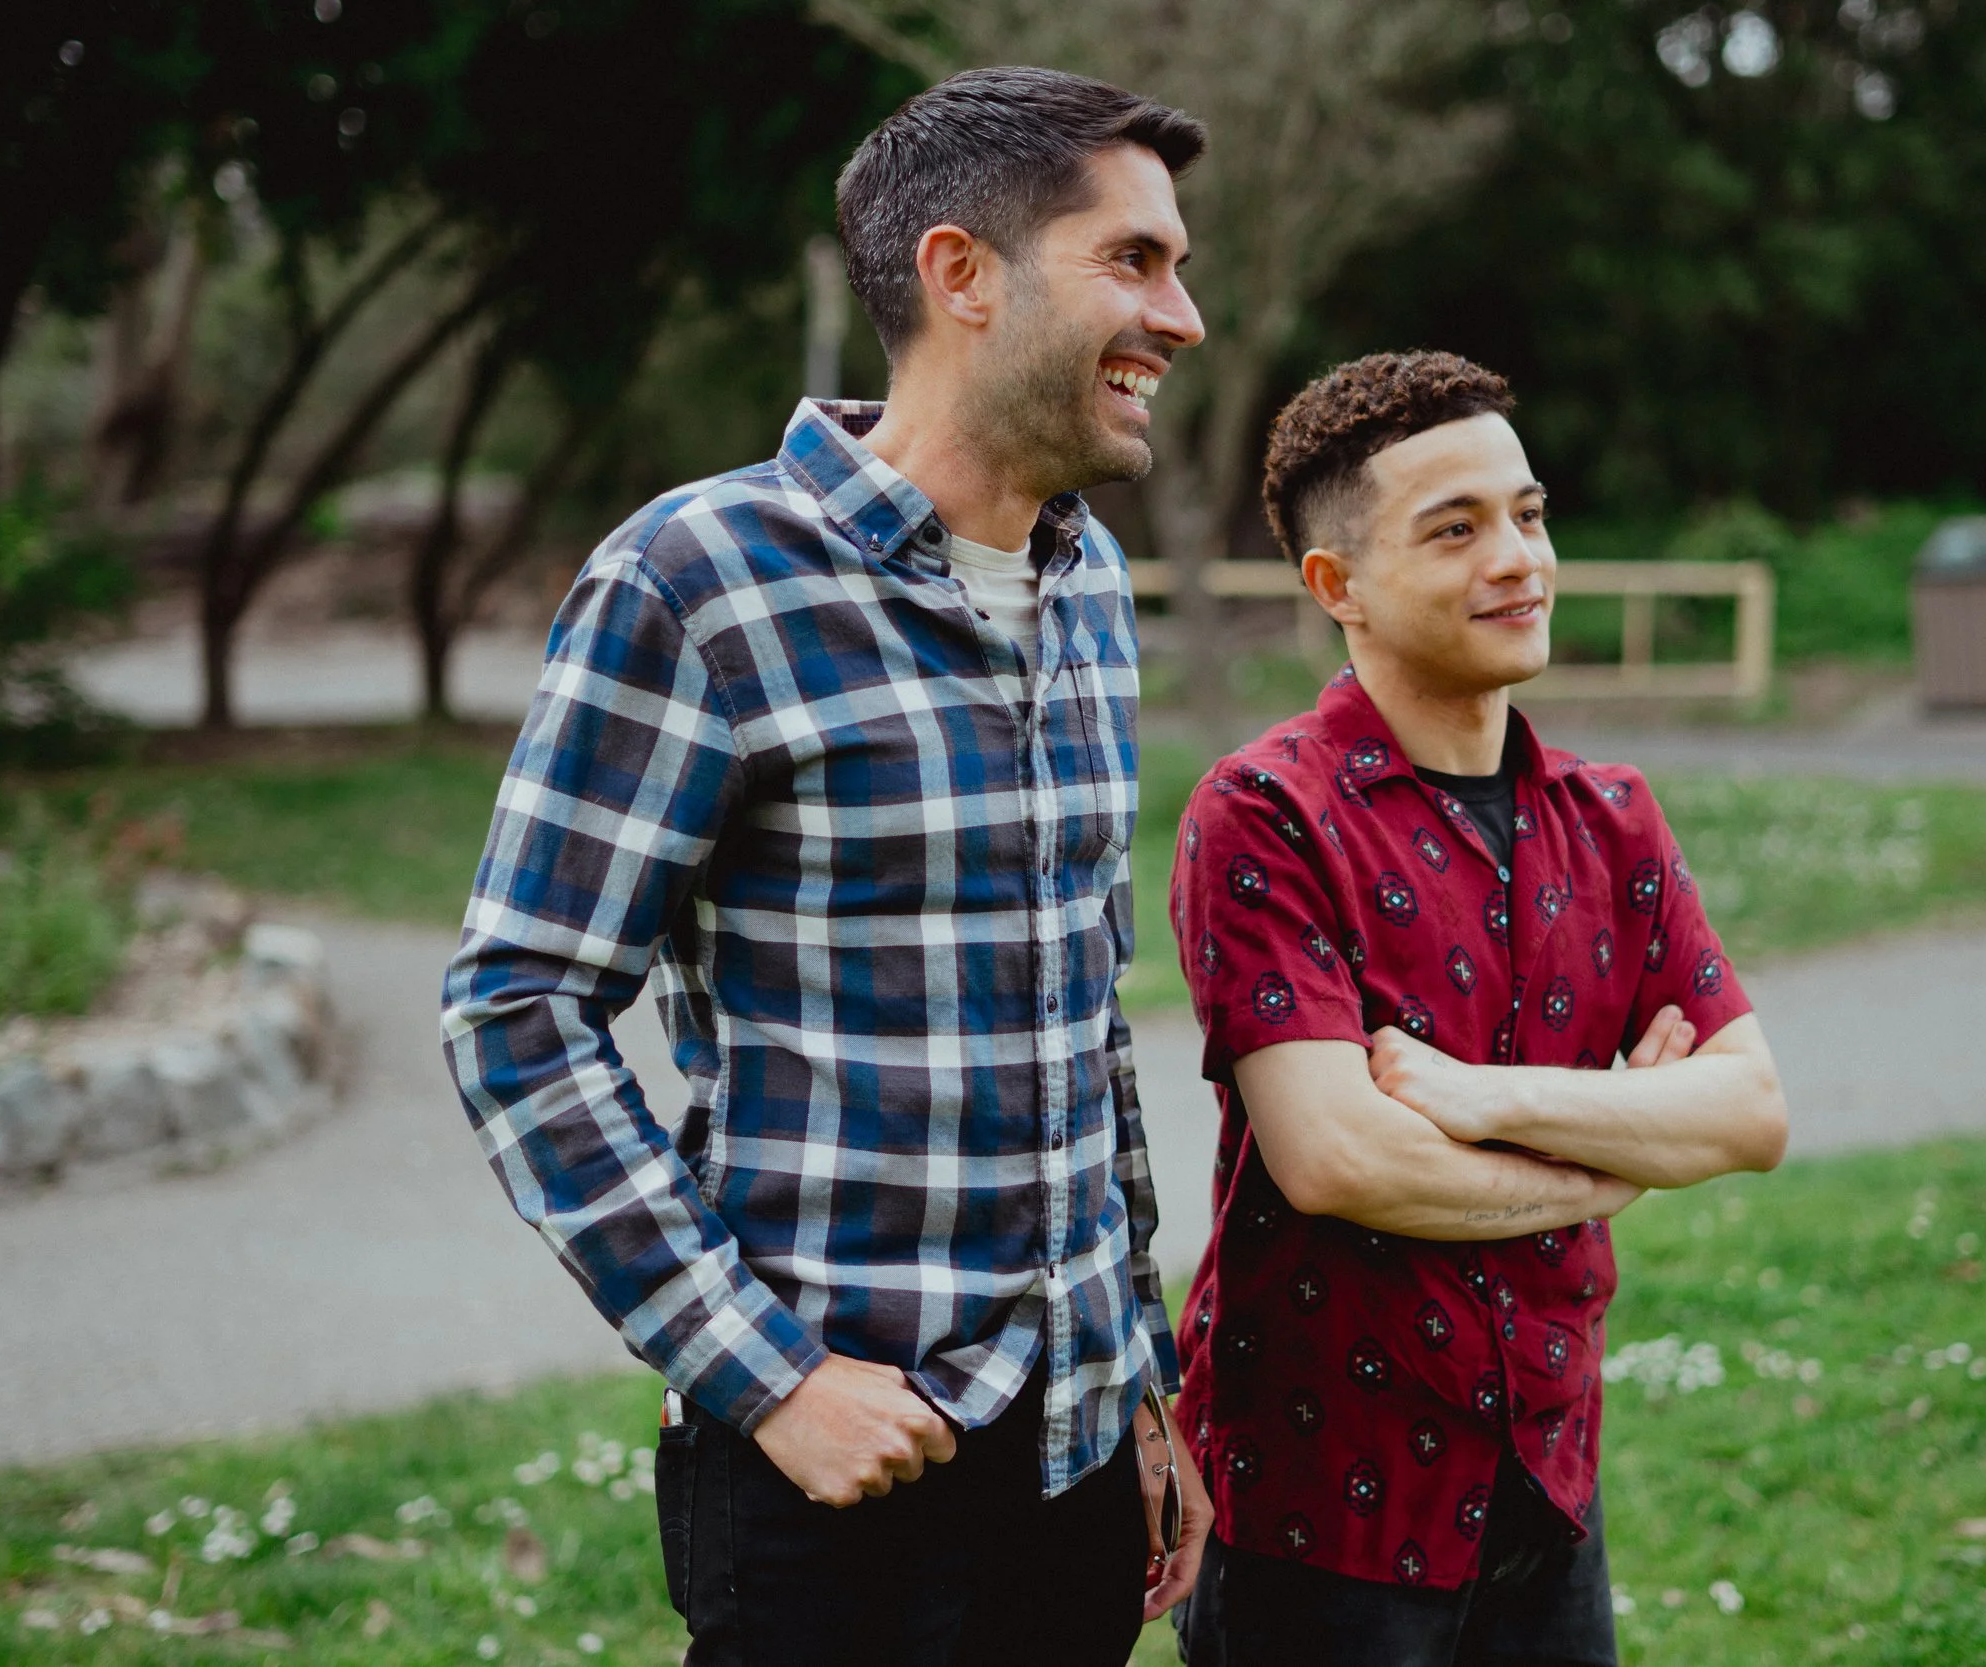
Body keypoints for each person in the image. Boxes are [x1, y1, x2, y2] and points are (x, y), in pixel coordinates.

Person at [440, 66, 1214, 1667]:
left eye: (1177, 264)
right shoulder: (695, 576)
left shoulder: (1091, 586)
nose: (1182, 315)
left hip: (1073, 1460)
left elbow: (1084, 1028)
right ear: (960, 275)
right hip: (833, 1479)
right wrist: (770, 1375)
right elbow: (516, 1007)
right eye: (1133, 260)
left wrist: (1135, 1377)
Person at [1168, 351, 1788, 1667]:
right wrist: (1611, 1156)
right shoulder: (1268, 813)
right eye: (1455, 530)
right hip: (1321, 1504)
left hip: (1551, 1485)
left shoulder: (1610, 814)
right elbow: (1336, 1156)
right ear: (1338, 587)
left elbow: (1749, 1109)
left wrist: (1482, 1097)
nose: (1518, 557)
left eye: (1529, 513)